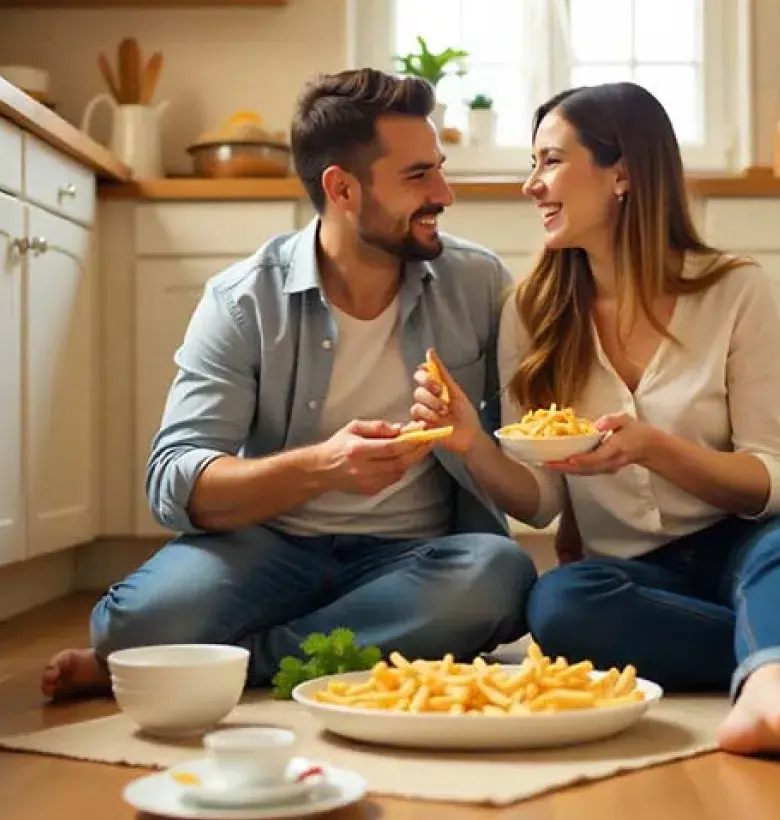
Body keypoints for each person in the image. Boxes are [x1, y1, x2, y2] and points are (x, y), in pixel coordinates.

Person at [409, 82, 780, 767]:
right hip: (638, 573)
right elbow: (542, 503)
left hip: (757, 533)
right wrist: (473, 444)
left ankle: (773, 693)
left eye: (549, 162)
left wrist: (654, 450)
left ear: (622, 172)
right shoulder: (531, 313)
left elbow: (774, 482)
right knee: (561, 608)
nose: (531, 186)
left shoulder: (732, 290)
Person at [41, 68, 537, 699]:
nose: (444, 192)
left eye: (438, 168)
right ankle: (342, 648)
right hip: (270, 547)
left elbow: (533, 488)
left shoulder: (478, 284)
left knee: (497, 575)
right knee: (135, 626)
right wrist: (325, 467)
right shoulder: (244, 300)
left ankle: (234, 661)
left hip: (414, 558)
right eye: (418, 176)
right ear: (343, 188)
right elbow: (175, 480)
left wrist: (472, 442)